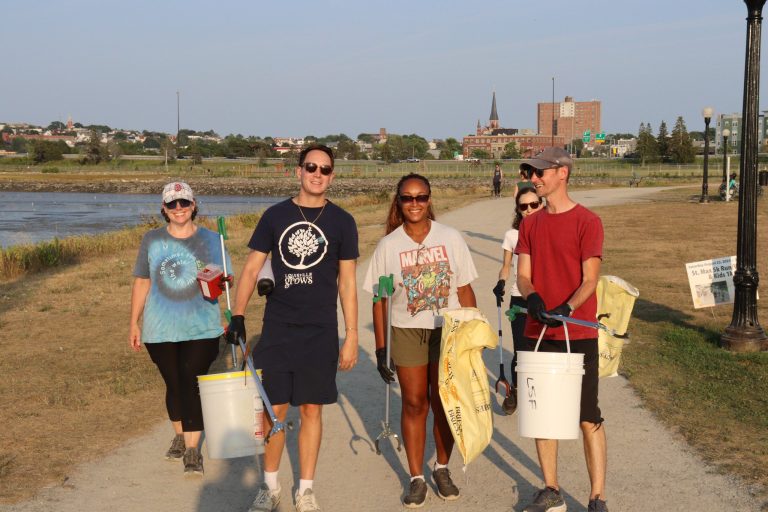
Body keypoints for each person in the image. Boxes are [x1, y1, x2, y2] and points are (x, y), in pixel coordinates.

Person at [228, 144, 359, 512]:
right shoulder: (275, 216)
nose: (317, 174)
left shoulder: (343, 222)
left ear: (332, 176)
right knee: (275, 409)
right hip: (279, 327)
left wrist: (352, 335)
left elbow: (347, 283)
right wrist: (238, 315)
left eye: (325, 169)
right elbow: (252, 268)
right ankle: (270, 487)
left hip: (320, 330)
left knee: (313, 409)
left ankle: (306, 490)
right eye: (311, 167)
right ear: (298, 171)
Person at [363, 173, 478, 508]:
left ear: (429, 199)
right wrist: (381, 347)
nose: (415, 204)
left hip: (448, 329)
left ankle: (441, 467)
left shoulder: (450, 237)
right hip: (407, 330)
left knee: (444, 402)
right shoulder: (389, 246)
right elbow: (380, 299)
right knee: (415, 403)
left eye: (421, 197)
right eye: (407, 198)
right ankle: (416, 477)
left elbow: (465, 289)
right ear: (398, 202)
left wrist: (472, 334)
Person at [514, 147, 608, 512]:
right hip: (538, 332)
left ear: (562, 173)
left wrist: (566, 308)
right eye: (531, 173)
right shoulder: (530, 224)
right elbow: (523, 276)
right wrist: (534, 297)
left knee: (587, 416)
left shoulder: (587, 221)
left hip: (578, 333)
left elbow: (590, 280)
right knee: (543, 414)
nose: (534, 179)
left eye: (540, 173)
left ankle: (597, 496)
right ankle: (551, 488)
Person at [129, 182, 229, 477]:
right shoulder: (152, 239)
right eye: (172, 204)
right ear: (164, 209)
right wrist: (133, 322)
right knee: (173, 383)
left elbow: (225, 280)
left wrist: (222, 285)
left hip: (202, 327)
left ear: (194, 205)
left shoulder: (212, 239)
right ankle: (180, 435)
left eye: (183, 202)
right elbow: (142, 281)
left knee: (191, 381)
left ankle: (193, 451)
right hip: (160, 328)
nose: (178, 209)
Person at [492, 187, 545, 415]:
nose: (529, 209)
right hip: (519, 298)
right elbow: (506, 266)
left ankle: (542, 393)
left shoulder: (550, 231)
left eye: (534, 204)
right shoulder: (512, 235)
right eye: (524, 206)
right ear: (518, 209)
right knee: (522, 350)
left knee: (544, 350)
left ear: (541, 204)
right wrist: (501, 283)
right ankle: (515, 389)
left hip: (546, 299)